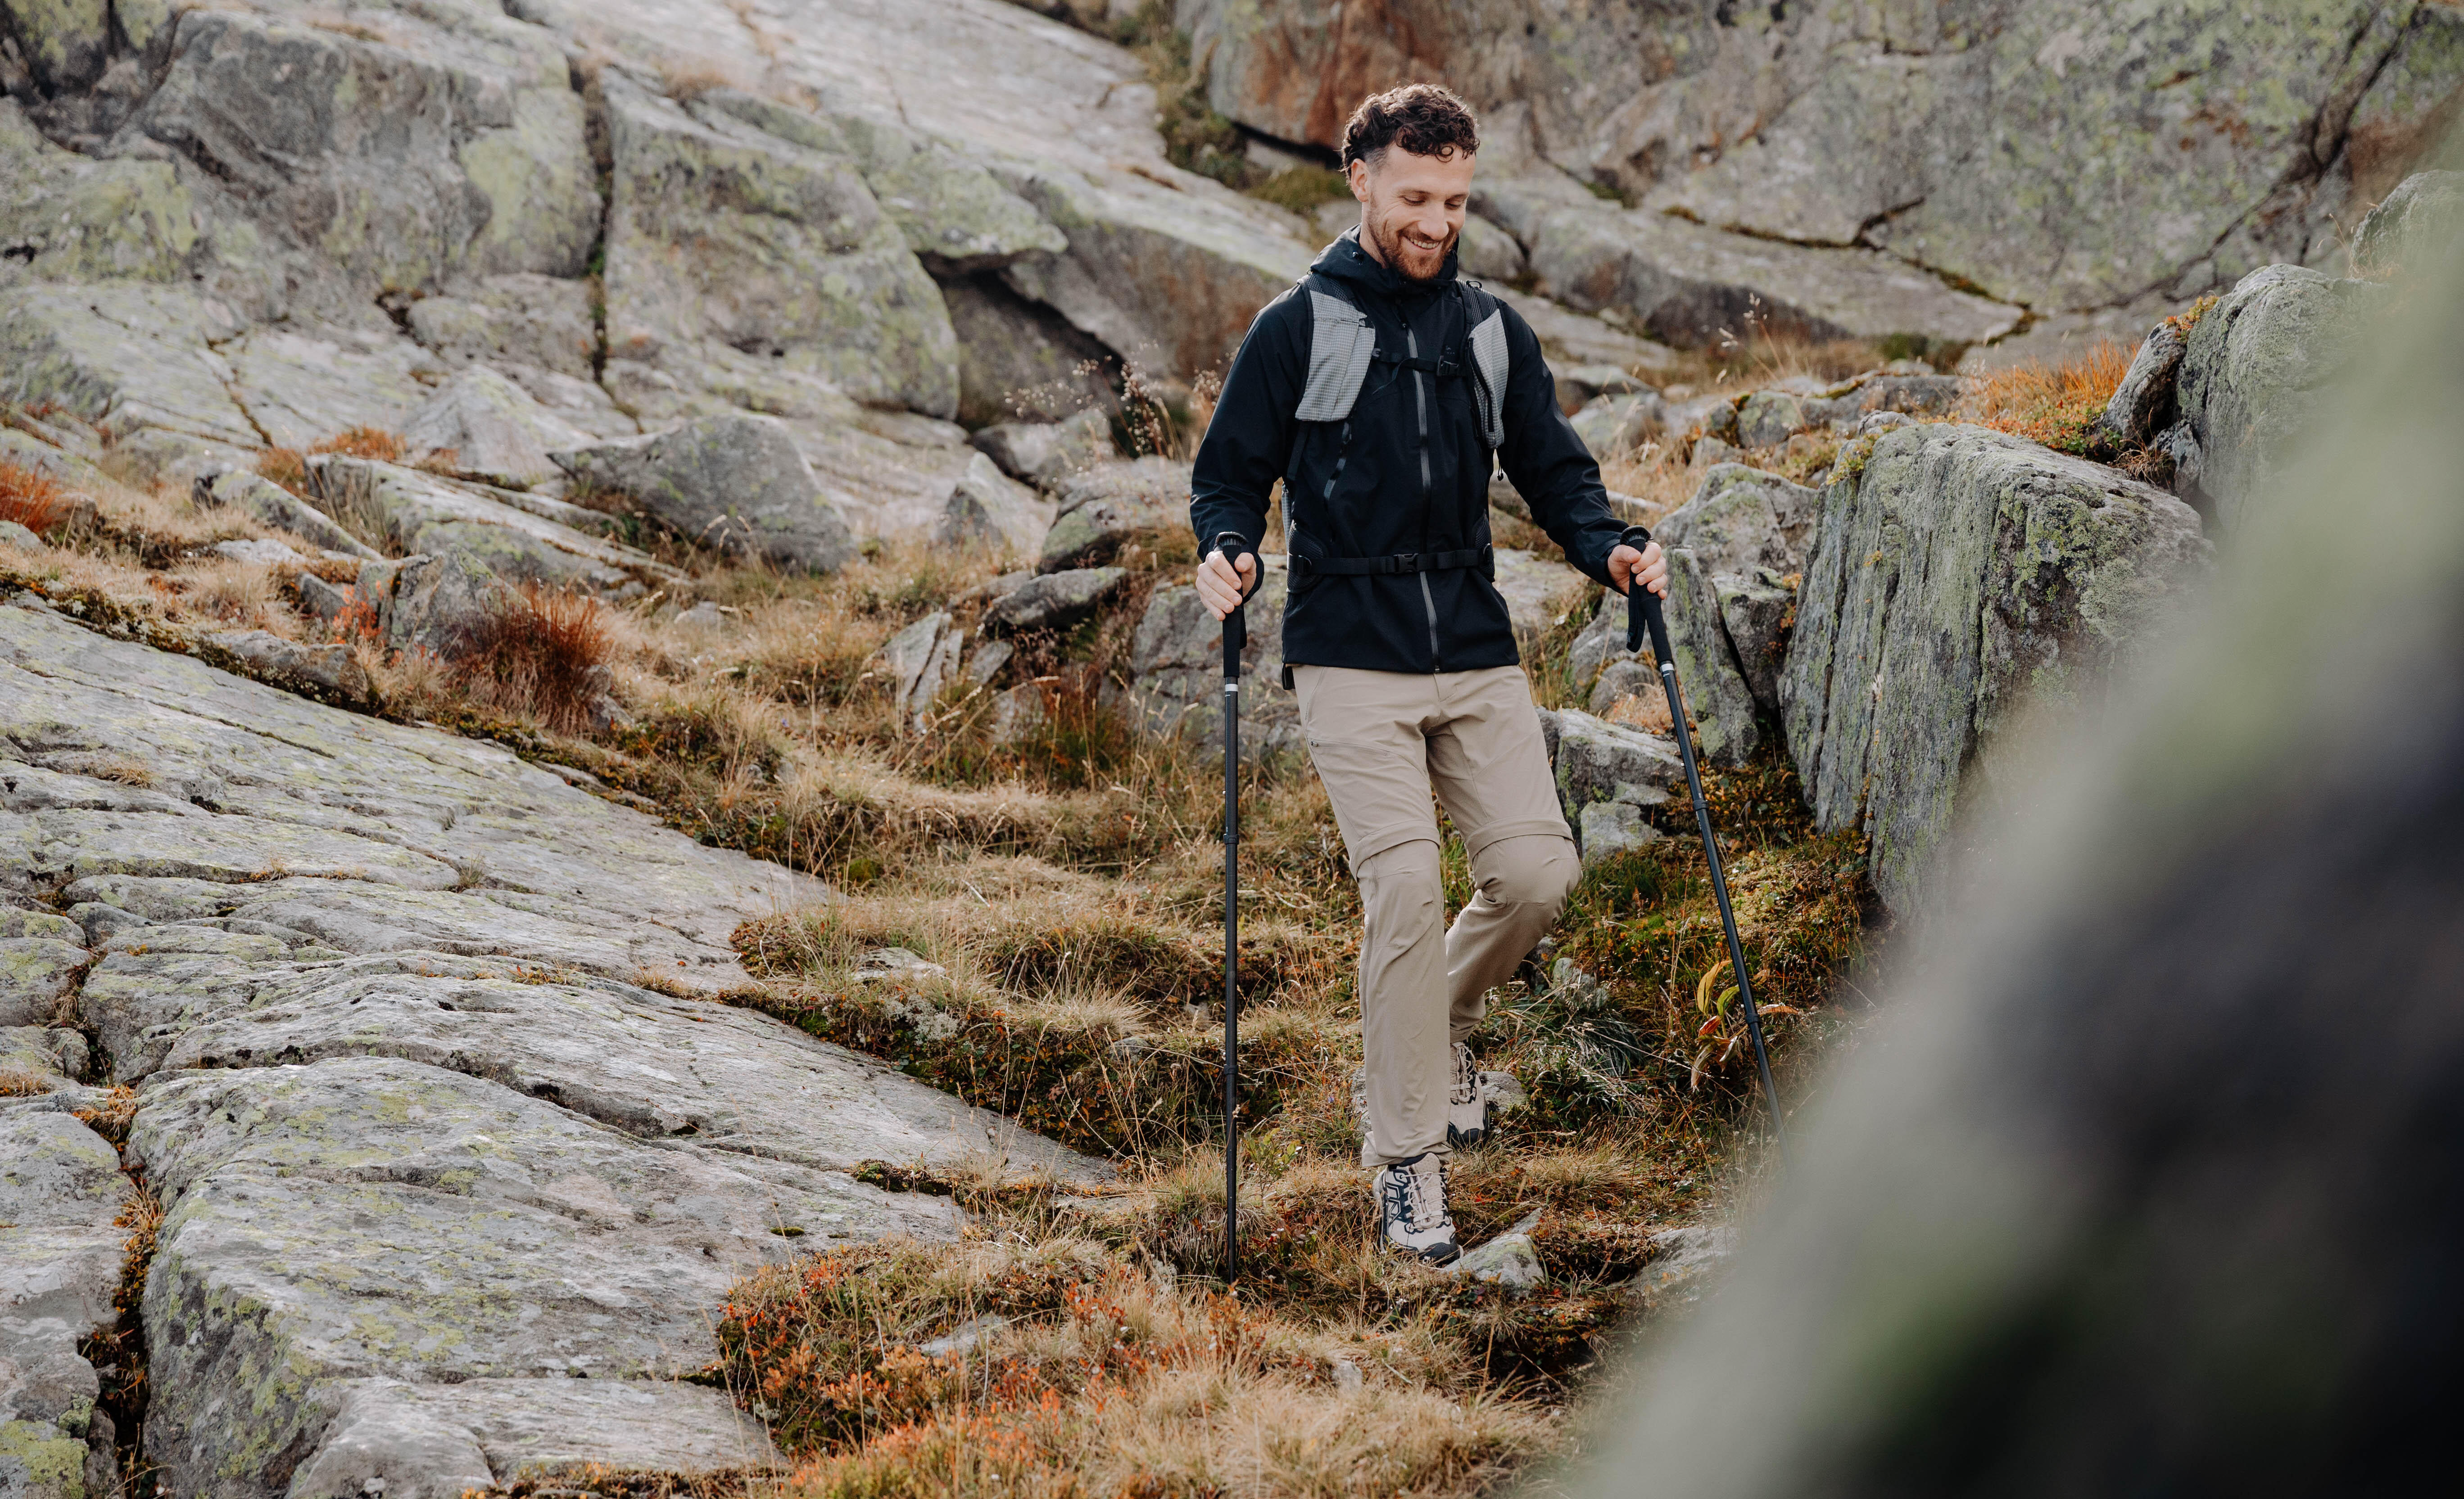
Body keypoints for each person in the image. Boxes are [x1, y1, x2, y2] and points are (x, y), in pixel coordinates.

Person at [1187, 82, 1669, 1264]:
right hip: (1349, 653)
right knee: (1402, 891)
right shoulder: (1296, 327)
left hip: (1472, 645)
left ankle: (1428, 1030)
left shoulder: (1491, 333)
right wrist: (1229, 547)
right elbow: (1228, 476)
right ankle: (1407, 1160)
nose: (1436, 222)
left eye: (1454, 202)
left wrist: (1608, 548)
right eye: (1415, 197)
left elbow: (1556, 472)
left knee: (1538, 873)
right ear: (1361, 179)